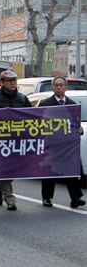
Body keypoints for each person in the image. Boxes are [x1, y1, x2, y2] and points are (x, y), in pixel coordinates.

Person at [0, 70, 32, 211]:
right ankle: (9, 198)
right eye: (9, 81)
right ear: (2, 83)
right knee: (6, 168)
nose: (12, 83)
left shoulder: (23, 99)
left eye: (14, 80)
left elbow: (31, 117)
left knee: (16, 168)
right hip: (1, 141)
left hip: (19, 141)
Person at [38, 76, 86, 209]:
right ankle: (47, 197)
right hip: (51, 144)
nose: (59, 87)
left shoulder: (72, 104)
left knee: (72, 170)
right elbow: (39, 123)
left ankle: (75, 198)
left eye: (61, 85)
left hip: (68, 145)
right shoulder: (45, 104)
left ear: (66, 87)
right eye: (56, 85)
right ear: (52, 87)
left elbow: (75, 124)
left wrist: (80, 130)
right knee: (50, 171)